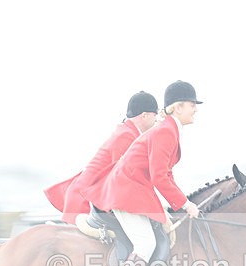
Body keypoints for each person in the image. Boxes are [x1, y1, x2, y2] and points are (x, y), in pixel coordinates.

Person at [86, 80, 203, 266]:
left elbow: (164, 174)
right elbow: (159, 176)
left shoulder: (170, 130)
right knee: (145, 244)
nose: (196, 109)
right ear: (178, 107)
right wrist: (185, 204)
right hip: (126, 191)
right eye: (193, 105)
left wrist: (176, 205)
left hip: (135, 190)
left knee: (152, 239)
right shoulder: (166, 132)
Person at [44, 91, 159, 224]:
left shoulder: (127, 132)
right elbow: (125, 180)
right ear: (144, 116)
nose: (156, 121)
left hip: (89, 197)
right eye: (154, 116)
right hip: (86, 202)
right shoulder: (127, 136)